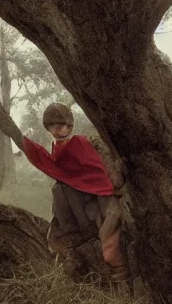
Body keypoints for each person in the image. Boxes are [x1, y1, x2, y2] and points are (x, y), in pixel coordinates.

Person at [10, 102, 129, 293]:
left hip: (108, 202)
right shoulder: (57, 149)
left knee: (110, 252)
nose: (57, 130)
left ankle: (127, 291)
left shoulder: (80, 143)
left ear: (69, 125)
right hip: (87, 207)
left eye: (61, 125)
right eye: (52, 127)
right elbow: (63, 175)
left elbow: (97, 175)